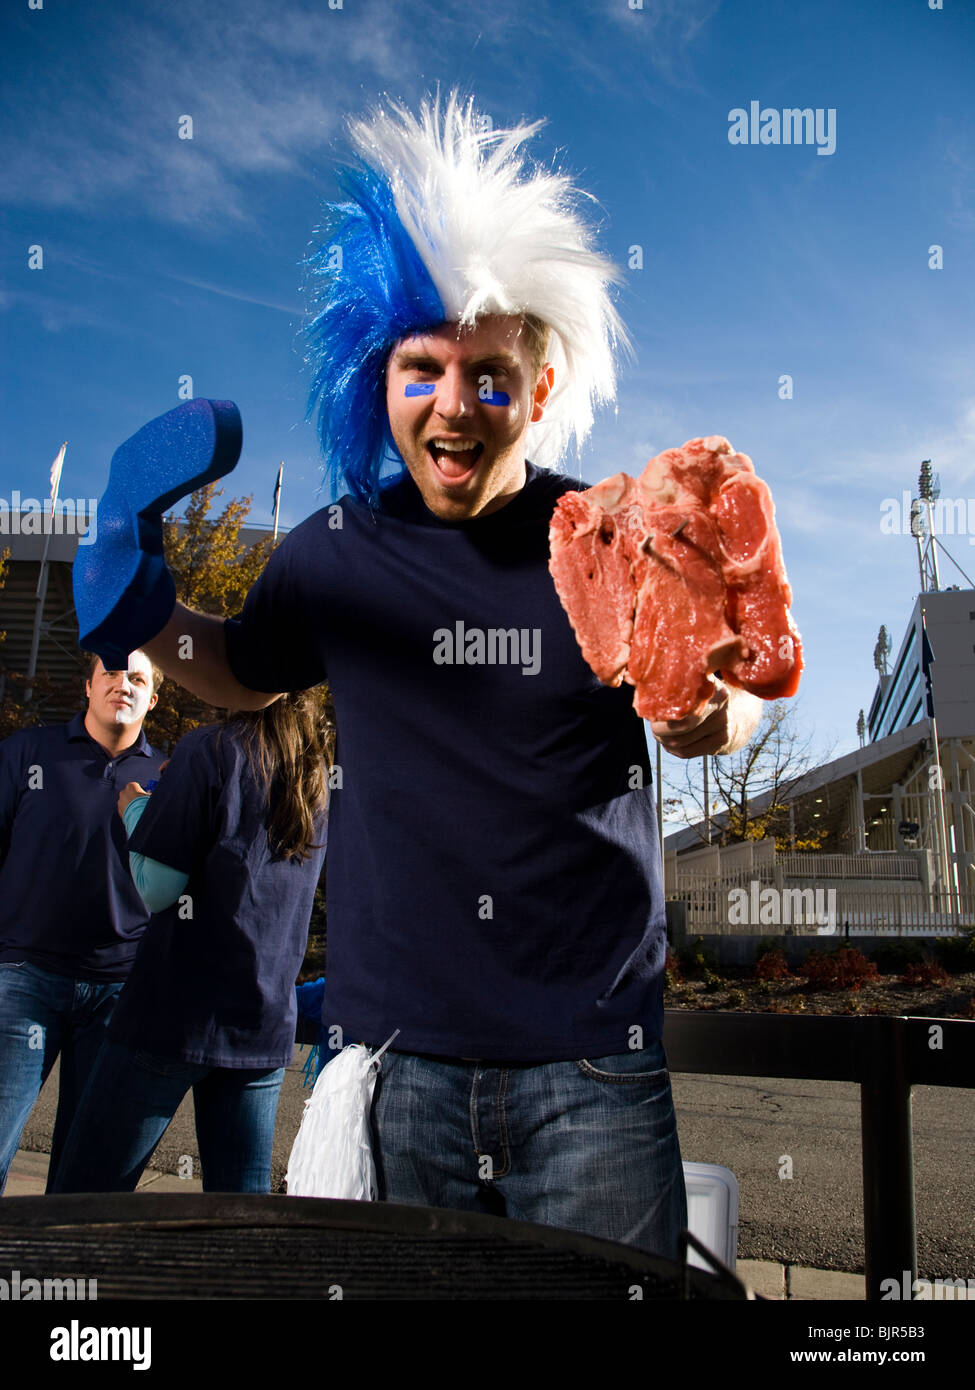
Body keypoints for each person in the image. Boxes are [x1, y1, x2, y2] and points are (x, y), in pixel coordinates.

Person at [84, 94, 762, 1255]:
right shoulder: (333, 556)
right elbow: (241, 673)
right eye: (423, 367)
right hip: (396, 1067)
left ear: (539, 391)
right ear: (380, 377)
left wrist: (717, 713)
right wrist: (142, 600)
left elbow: (727, 697)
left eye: (490, 375)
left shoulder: (616, 537)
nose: (455, 404)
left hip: (592, 1062)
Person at [51, 693, 329, 1194]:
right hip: (262, 1027)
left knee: (84, 1204)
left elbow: (158, 889)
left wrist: (136, 808)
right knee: (238, 1221)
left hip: (175, 1016)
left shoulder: (210, 749)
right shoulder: (314, 770)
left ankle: (65, 1277)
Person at [0, 651, 164, 1194]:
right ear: (88, 687)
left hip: (120, 992)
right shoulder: (27, 753)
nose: (124, 684)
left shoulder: (168, 779)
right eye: (112, 673)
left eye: (138, 678)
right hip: (25, 977)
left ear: (153, 698)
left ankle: (63, 1274)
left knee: (85, 1176)